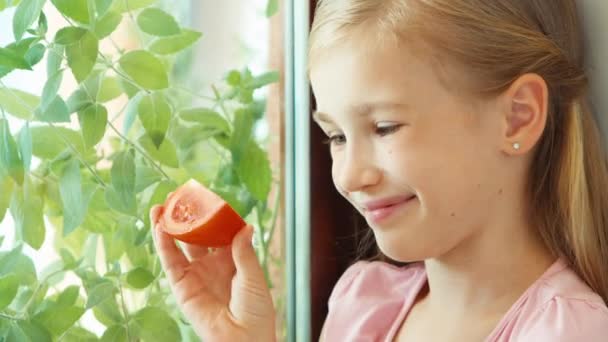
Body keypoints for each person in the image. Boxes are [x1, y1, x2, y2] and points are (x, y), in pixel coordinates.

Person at [151, 0, 608, 340]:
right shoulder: (362, 305)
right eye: (336, 137)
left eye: (385, 128)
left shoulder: (567, 330)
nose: (350, 177)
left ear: (518, 117)